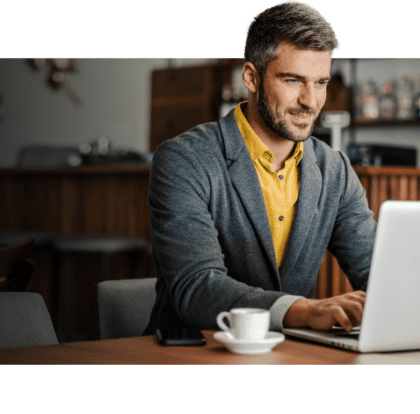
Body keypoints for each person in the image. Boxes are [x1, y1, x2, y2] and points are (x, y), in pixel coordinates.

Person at [144, 0, 376, 335]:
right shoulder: (184, 159)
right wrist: (304, 310)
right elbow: (197, 289)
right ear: (252, 78)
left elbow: (376, 272)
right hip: (194, 355)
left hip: (290, 357)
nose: (311, 102)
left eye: (321, 82)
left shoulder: (334, 170)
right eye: (293, 80)